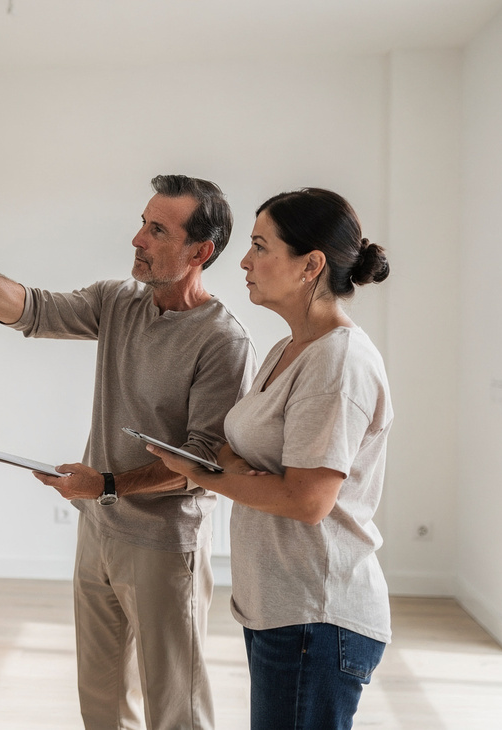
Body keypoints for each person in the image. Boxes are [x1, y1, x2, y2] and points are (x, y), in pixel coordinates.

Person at [0, 175, 257, 730]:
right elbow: (31, 309)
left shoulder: (223, 341)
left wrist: (110, 485)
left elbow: (203, 467)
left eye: (157, 230)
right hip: (98, 532)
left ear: (200, 251)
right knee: (100, 701)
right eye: (143, 222)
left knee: (177, 708)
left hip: (165, 548)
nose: (138, 238)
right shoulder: (118, 301)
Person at [146, 188, 393, 730]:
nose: (243, 260)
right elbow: (238, 446)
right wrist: (235, 470)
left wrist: (200, 473)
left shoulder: (338, 363)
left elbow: (307, 500)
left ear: (311, 266)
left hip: (318, 616)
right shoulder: (289, 349)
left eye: (260, 246)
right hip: (283, 608)